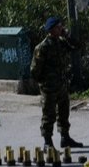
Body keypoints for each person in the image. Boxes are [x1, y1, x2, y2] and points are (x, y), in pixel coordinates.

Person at [30, 16, 83, 149]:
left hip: (62, 85)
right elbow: (34, 70)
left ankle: (65, 138)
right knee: (48, 115)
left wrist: (66, 35)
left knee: (64, 113)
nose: (61, 28)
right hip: (49, 87)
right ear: (52, 29)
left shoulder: (61, 42)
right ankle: (48, 142)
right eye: (59, 27)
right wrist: (44, 83)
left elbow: (77, 46)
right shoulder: (42, 47)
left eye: (61, 26)